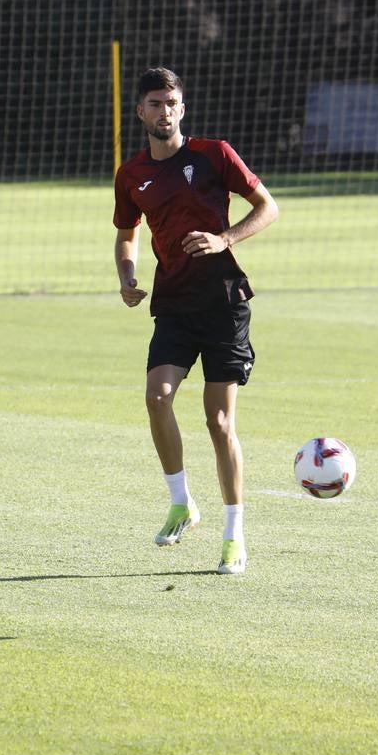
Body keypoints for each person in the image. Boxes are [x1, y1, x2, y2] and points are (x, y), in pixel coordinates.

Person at [112, 67, 280, 575]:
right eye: (155, 103)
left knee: (219, 421)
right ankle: (182, 504)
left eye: (172, 102)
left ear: (183, 109)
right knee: (156, 397)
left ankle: (235, 536)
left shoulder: (213, 154)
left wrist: (223, 238)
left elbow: (268, 207)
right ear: (140, 112)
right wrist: (126, 275)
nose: (165, 111)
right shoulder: (131, 174)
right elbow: (126, 233)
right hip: (174, 304)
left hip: (225, 303)